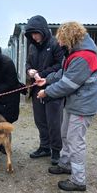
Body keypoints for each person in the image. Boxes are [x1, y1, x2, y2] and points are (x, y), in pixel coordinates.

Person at [36, 21, 97, 191]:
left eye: (62, 39)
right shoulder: (73, 53)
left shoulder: (84, 56)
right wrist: (47, 79)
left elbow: (68, 84)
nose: (59, 43)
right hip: (74, 103)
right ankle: (65, 164)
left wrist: (47, 92)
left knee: (75, 141)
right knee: (65, 134)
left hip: (83, 106)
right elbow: (63, 73)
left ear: (70, 38)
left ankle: (78, 180)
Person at [25, 15, 65, 165]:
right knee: (40, 120)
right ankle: (44, 146)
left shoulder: (55, 44)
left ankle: (56, 150)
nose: (34, 37)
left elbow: (60, 66)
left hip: (52, 88)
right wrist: (30, 71)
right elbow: (28, 63)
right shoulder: (32, 46)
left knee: (54, 121)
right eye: (31, 34)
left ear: (42, 30)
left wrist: (42, 74)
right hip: (36, 87)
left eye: (36, 33)